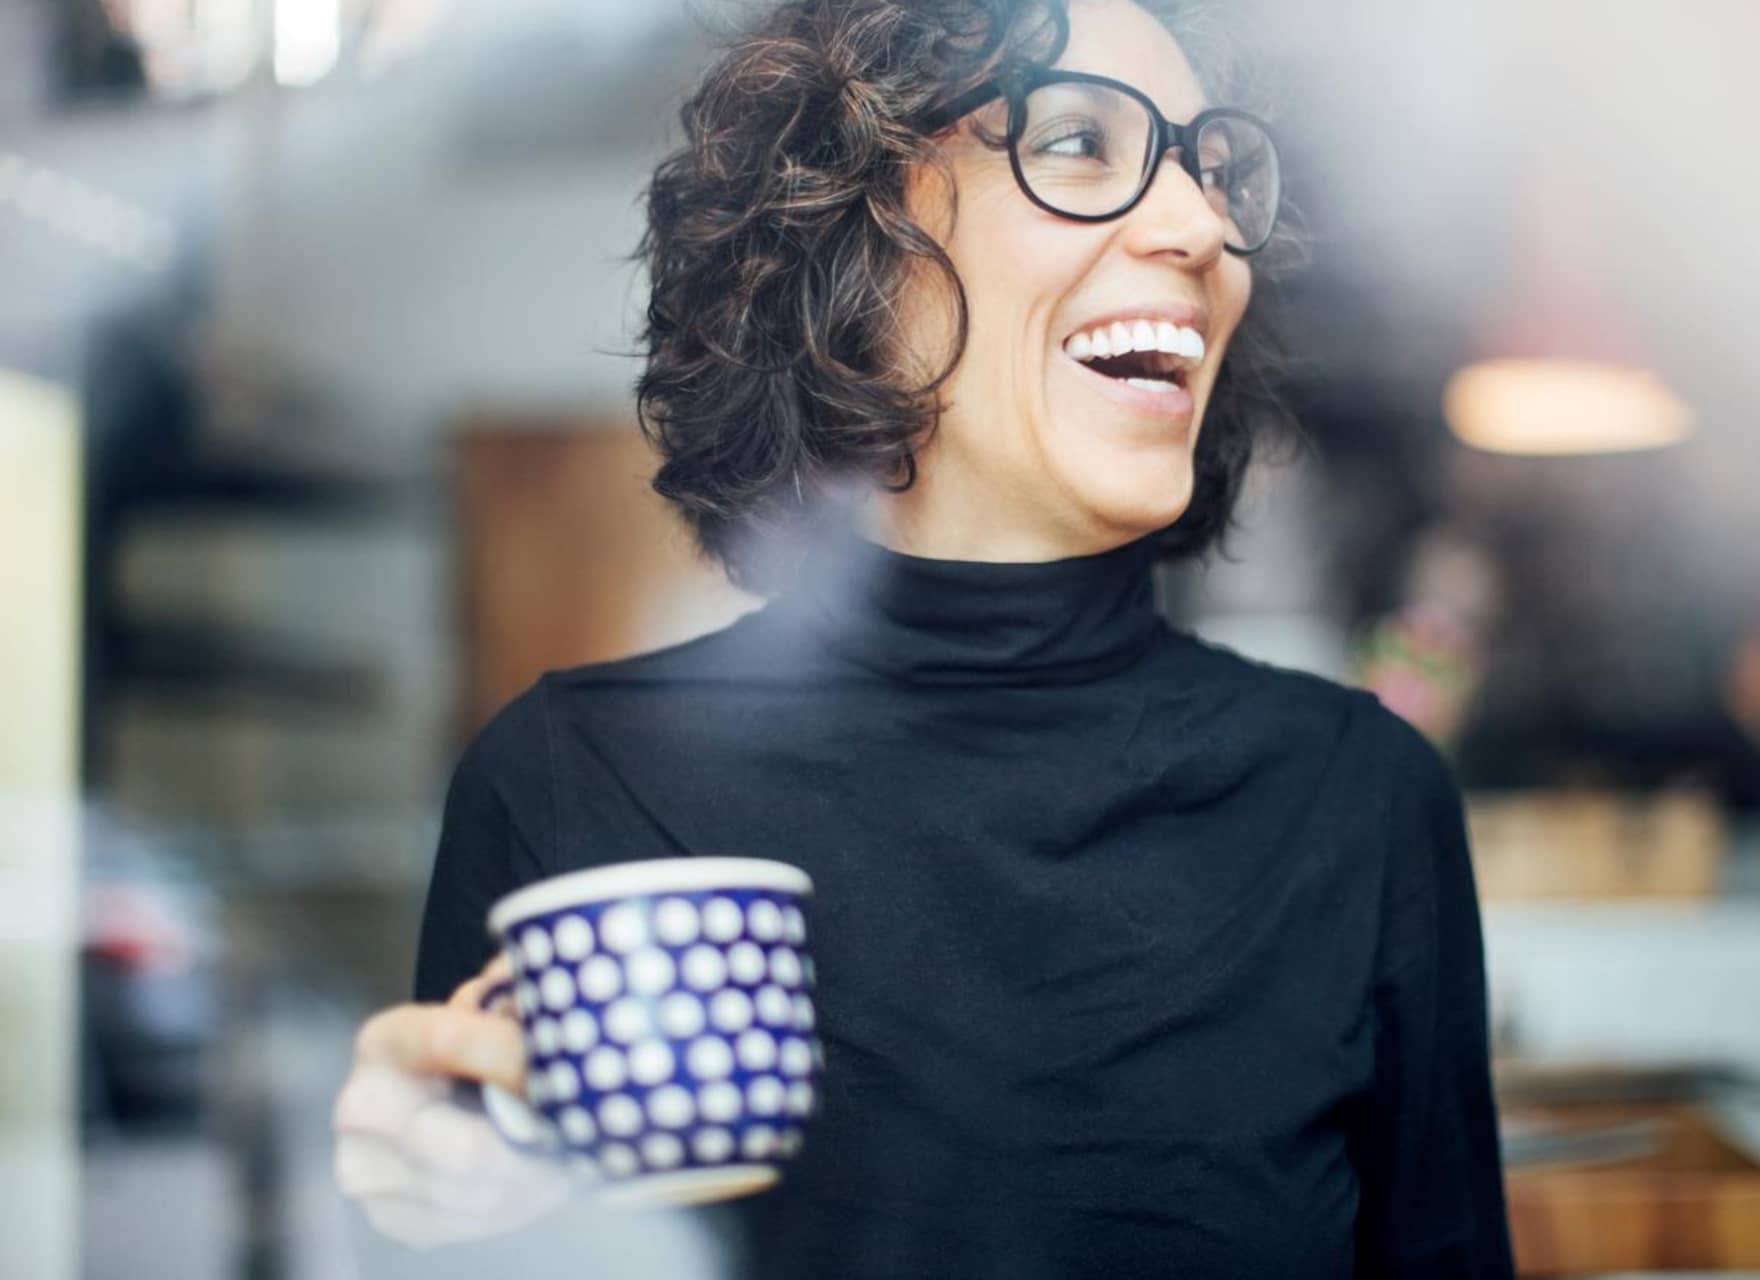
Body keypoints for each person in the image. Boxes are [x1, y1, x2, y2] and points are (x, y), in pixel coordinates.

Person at [331, 1, 1514, 1275]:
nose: (1200, 227)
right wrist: (424, 1215)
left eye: (1210, 170)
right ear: (850, 229)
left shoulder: (1356, 800)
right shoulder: (572, 784)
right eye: (1074, 144)